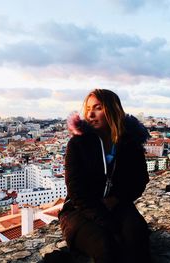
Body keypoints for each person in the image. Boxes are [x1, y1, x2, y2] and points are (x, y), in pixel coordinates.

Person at [58, 89, 151, 263]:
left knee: (137, 235)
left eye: (98, 108)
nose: (91, 114)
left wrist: (117, 199)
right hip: (79, 210)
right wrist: (107, 220)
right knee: (105, 246)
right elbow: (76, 191)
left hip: (117, 203)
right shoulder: (78, 143)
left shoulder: (130, 142)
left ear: (112, 110)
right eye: (88, 109)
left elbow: (140, 180)